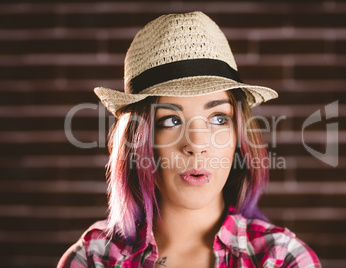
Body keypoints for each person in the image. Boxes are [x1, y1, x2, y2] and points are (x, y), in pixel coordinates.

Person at [58, 11, 321, 268]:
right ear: (138, 142)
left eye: (218, 118)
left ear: (239, 138)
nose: (197, 144)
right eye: (170, 121)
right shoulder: (93, 258)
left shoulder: (283, 259)